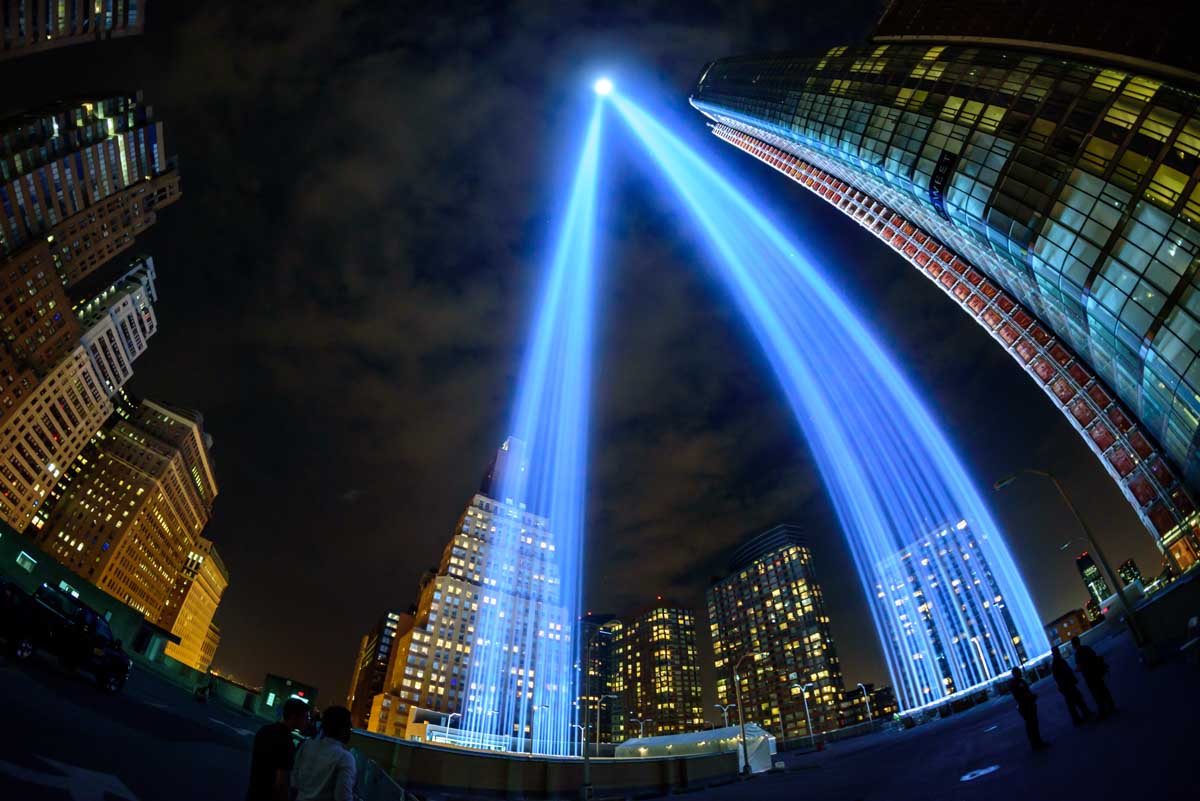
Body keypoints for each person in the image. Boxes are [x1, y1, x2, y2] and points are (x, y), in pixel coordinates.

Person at [247, 698, 310, 801]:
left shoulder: (264, 730)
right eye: (306, 717)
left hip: (253, 793)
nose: (308, 721)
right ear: (293, 717)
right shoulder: (287, 743)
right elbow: (281, 783)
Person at [292, 705, 357, 801]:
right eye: (350, 728)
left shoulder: (307, 745)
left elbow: (294, 781)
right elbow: (343, 797)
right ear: (343, 729)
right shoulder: (345, 758)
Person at [1072, 636, 1115, 717]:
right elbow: (1094, 657)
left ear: (1074, 644)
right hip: (1096, 673)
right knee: (1103, 690)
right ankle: (1111, 706)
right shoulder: (1087, 648)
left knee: (1096, 694)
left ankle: (1103, 710)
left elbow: (1079, 667)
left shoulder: (1078, 654)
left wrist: (1077, 670)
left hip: (1089, 677)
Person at [1009, 666, 1048, 750]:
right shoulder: (1016, 683)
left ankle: (1037, 741)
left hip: (1028, 704)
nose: (1020, 673)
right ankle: (1035, 743)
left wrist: (1032, 697)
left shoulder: (1020, 681)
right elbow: (1021, 694)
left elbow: (1026, 691)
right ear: (1015, 674)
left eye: (1019, 671)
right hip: (1025, 706)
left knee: (1033, 724)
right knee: (1031, 724)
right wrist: (1030, 696)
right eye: (1018, 672)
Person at [1050, 645, 1090, 725]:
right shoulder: (1057, 663)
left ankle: (1080, 717)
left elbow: (1063, 673)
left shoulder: (1057, 662)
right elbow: (1060, 675)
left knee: (1074, 701)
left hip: (1067, 684)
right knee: (1075, 701)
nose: (1058, 652)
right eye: (1057, 651)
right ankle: (1080, 717)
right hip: (1067, 685)